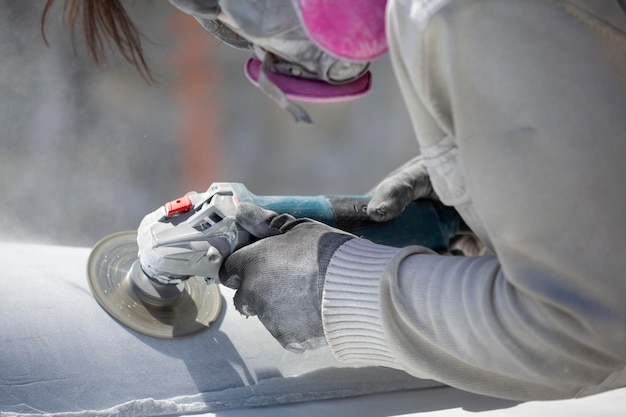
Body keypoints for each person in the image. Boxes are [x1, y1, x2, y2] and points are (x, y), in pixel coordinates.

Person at [41, 0, 626, 401]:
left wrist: (338, 291)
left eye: (219, 5)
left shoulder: (459, 12)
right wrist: (473, 195)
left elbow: (587, 325)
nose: (233, 34)